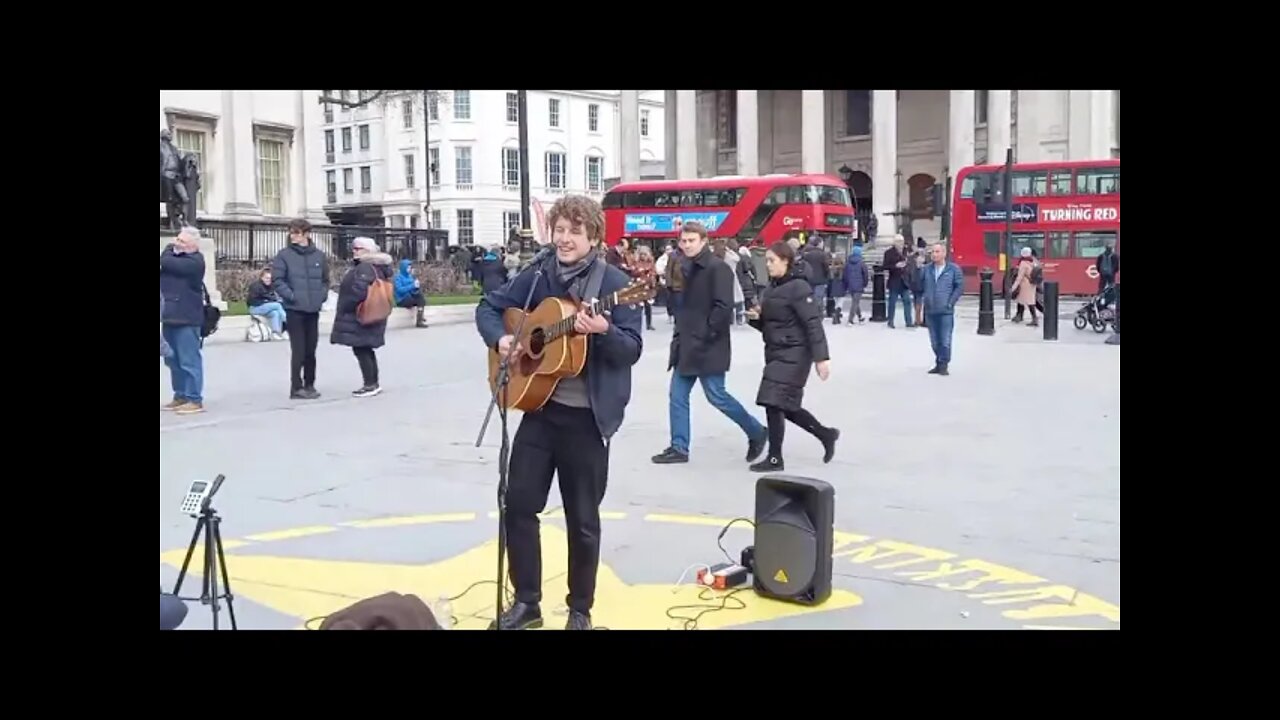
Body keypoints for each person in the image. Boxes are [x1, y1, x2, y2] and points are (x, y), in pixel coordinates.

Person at [475, 194, 643, 631]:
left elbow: (631, 350)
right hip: (539, 411)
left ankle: (579, 612)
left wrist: (603, 331)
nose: (564, 238)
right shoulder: (538, 274)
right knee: (518, 506)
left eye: (574, 231)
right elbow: (489, 306)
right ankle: (527, 602)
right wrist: (502, 341)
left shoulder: (616, 284)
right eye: (560, 229)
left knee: (582, 521)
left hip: (586, 421)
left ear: (594, 236)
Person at [652, 221, 768, 465]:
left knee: (717, 395)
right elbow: (681, 302)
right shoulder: (683, 264)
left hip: (707, 345)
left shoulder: (718, 268)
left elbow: (723, 308)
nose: (686, 245)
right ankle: (679, 447)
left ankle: (757, 431)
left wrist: (705, 334)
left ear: (704, 241)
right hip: (685, 343)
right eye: (683, 241)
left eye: (691, 240)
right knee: (677, 396)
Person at [745, 241, 839, 472]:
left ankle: (775, 458)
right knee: (783, 404)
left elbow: (812, 324)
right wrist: (756, 319)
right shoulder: (771, 288)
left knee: (773, 402)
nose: (767, 265)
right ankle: (825, 434)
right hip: (777, 352)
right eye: (766, 261)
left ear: (785, 261)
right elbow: (773, 325)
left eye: (772, 261)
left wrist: (821, 358)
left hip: (796, 354)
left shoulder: (799, 288)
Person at [271, 218, 330, 400]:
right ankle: (296, 387)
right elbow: (278, 280)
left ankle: (310, 383)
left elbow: (325, 280)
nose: (293, 236)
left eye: (297, 232)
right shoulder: (284, 255)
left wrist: (321, 296)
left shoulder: (319, 256)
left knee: (311, 349)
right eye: (291, 232)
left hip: (312, 309)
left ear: (306, 234)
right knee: (298, 349)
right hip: (294, 309)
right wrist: (291, 296)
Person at [330, 237, 394, 397]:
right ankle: (373, 382)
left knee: (362, 349)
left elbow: (359, 291)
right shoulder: (377, 266)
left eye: (358, 248)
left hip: (361, 313)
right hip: (373, 311)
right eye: (354, 248)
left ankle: (370, 384)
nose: (354, 251)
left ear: (368, 250)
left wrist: (346, 306)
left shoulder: (365, 267)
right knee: (365, 348)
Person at [160, 226, 207, 415]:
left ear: (193, 246)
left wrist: (166, 255)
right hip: (169, 314)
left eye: (182, 242)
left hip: (187, 317)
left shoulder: (195, 262)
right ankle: (180, 395)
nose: (176, 243)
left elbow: (167, 261)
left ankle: (194, 398)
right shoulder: (172, 255)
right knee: (172, 359)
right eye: (177, 239)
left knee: (189, 360)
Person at [920, 243, 964, 375]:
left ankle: (943, 364)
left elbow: (959, 287)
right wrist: (916, 269)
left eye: (937, 252)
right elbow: (917, 285)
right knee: (934, 341)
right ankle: (939, 362)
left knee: (945, 339)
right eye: (932, 252)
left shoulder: (953, 269)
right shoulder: (926, 269)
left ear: (944, 254)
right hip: (930, 310)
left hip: (945, 310)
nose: (934, 254)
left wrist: (950, 302)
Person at [882, 234, 915, 328]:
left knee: (907, 301)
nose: (900, 243)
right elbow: (885, 266)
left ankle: (909, 322)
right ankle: (890, 321)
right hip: (894, 281)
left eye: (902, 241)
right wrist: (895, 266)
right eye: (898, 242)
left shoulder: (906, 251)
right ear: (894, 242)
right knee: (892, 302)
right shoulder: (888, 253)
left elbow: (910, 263)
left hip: (904, 281)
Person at [247, 268, 287, 340]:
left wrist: (270, 300)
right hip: (255, 308)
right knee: (277, 305)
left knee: (275, 313)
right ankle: (289, 323)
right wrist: (267, 301)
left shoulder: (271, 286)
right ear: (262, 277)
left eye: (270, 278)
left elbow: (272, 297)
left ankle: (276, 333)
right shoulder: (256, 286)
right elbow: (252, 301)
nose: (268, 280)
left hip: (265, 307)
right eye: (266, 278)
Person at [393, 259, 430, 328]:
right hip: (402, 299)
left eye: (410, 268)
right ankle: (420, 318)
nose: (409, 269)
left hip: (410, 297)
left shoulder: (410, 276)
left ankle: (420, 318)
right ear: (403, 268)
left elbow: (412, 289)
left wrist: (416, 287)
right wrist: (412, 286)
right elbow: (400, 290)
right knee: (418, 298)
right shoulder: (398, 277)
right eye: (408, 267)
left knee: (420, 297)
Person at [842, 244, 870, 324]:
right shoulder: (861, 263)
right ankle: (850, 320)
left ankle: (860, 317)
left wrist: (846, 284)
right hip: (859, 285)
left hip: (850, 285)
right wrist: (865, 284)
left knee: (855, 301)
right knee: (855, 302)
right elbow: (865, 275)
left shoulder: (848, 263)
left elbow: (845, 275)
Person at [1011, 247, 1039, 326]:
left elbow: (1019, 277)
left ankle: (1034, 319)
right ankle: (1019, 315)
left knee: (1029, 302)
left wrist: (1013, 287)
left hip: (1025, 285)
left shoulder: (1023, 263)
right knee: (1021, 300)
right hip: (1032, 284)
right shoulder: (1033, 261)